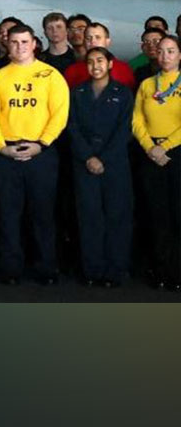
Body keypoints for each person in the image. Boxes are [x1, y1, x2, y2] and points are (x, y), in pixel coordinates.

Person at [0, 23, 70, 285]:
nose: (20, 47)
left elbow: (60, 114)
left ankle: (46, 268)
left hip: (41, 153)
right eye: (14, 42)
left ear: (34, 43)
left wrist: (42, 144)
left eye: (25, 42)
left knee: (42, 214)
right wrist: (1, 146)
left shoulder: (51, 75)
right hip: (6, 153)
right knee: (9, 215)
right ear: (7, 45)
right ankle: (11, 269)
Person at [66, 46, 134, 287]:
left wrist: (103, 158)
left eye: (100, 61)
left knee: (117, 217)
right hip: (84, 163)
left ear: (110, 64)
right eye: (91, 62)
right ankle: (92, 270)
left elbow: (124, 130)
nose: (95, 66)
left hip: (114, 164)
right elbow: (71, 127)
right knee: (89, 217)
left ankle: (115, 270)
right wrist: (88, 157)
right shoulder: (77, 93)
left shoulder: (123, 93)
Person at [132, 34, 181, 291]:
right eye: (161, 51)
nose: (165, 56)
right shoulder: (147, 84)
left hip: (177, 153)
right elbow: (137, 120)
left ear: (180, 55)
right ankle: (161, 270)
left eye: (171, 51)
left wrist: (166, 146)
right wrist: (151, 146)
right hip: (151, 153)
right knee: (156, 214)